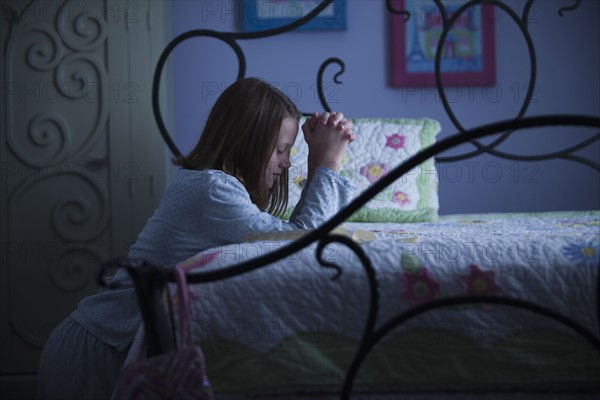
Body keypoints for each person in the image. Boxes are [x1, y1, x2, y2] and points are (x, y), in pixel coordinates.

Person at [37, 77, 356, 399]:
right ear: (246, 142)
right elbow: (300, 243)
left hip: (113, 347)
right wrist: (327, 163)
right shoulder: (212, 190)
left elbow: (294, 237)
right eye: (280, 150)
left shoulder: (215, 189)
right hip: (96, 351)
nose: (286, 163)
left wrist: (320, 167)